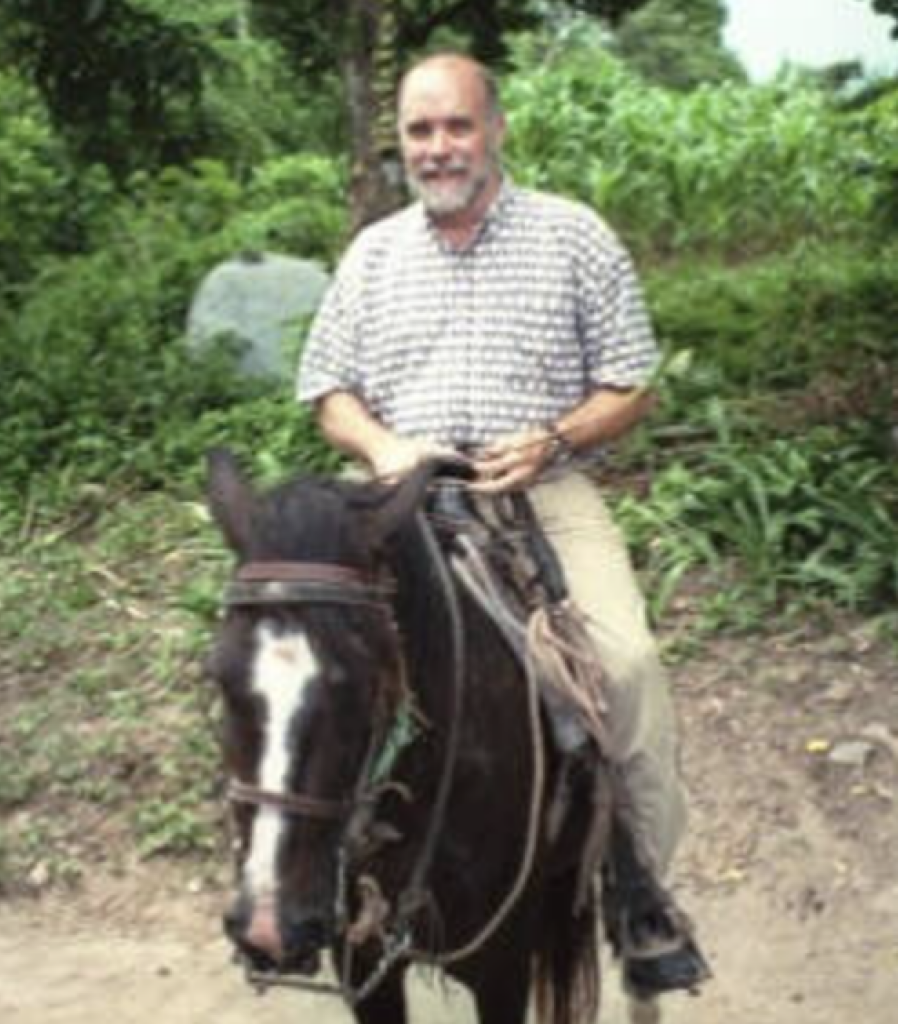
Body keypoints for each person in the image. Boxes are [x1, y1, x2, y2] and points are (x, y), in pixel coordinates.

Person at [298, 52, 707, 997]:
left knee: (629, 667)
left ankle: (637, 888)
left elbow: (631, 381)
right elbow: (328, 393)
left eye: (455, 127)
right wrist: (386, 446)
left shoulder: (573, 236)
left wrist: (556, 436)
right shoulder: (373, 254)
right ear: (401, 142)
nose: (437, 148)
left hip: (538, 493)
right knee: (299, 655)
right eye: (419, 131)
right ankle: (295, 880)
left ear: (495, 129)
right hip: (403, 496)